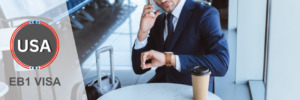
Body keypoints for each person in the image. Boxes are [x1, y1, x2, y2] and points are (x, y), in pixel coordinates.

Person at [131, 0, 229, 92]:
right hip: (160, 89)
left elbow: (221, 63)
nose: (162, 0)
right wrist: (142, 33)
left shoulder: (205, 14)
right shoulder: (158, 21)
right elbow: (139, 68)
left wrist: (169, 59)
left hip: (191, 91)